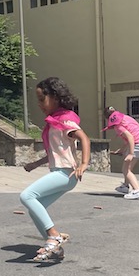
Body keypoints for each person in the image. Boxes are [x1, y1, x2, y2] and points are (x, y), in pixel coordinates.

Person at [20, 78, 90, 263]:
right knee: (35, 207)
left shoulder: (64, 120)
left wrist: (84, 164)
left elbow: (84, 138)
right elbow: (55, 152)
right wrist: (36, 164)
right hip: (61, 173)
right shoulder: (55, 121)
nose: (39, 104)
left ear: (56, 98)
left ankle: (54, 236)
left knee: (27, 196)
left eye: (42, 99)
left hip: (66, 173)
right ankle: (54, 248)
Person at [103, 107, 139, 200]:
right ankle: (125, 186)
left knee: (125, 169)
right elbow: (128, 140)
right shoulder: (126, 118)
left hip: (138, 143)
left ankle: (137, 190)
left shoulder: (118, 126)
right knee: (128, 166)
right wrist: (121, 150)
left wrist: (130, 153)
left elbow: (130, 137)